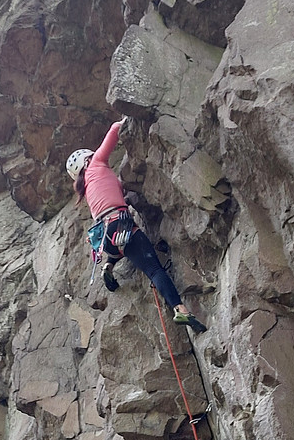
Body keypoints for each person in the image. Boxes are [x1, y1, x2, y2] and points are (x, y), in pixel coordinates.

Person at [68, 120, 206, 332]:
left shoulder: (87, 188)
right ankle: (180, 309)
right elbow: (115, 129)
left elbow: (113, 194)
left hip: (107, 237)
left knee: (124, 247)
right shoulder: (96, 163)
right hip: (121, 225)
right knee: (154, 269)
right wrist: (127, 120)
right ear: (87, 160)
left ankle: (109, 265)